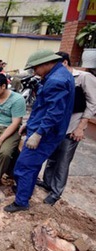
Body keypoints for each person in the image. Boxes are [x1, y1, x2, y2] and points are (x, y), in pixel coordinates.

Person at [4, 49, 75, 213]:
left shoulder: (56, 80)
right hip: (43, 128)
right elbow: (44, 107)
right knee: (32, 165)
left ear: (46, 63)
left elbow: (54, 112)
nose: (34, 72)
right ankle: (24, 190)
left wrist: (38, 133)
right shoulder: (59, 74)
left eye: (35, 68)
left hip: (46, 134)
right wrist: (30, 125)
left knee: (24, 166)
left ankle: (21, 202)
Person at [36, 51, 96, 205]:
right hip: (56, 126)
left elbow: (92, 103)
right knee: (52, 157)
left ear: (64, 63)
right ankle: (47, 182)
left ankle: (56, 192)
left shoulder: (83, 78)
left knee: (63, 161)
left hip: (72, 125)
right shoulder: (54, 79)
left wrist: (81, 127)